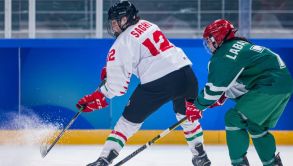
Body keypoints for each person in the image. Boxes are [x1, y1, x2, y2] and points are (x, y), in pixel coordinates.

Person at [76, 1, 211, 166]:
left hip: (159, 83)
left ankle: (104, 159)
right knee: (186, 116)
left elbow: (118, 89)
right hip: (186, 74)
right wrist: (115, 71)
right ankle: (201, 155)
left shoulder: (120, 43)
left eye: (115, 22)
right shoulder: (148, 25)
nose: (112, 26)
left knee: (127, 123)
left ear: (125, 19)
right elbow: (147, 55)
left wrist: (100, 94)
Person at [185, 19, 293, 166]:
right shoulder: (240, 45)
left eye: (208, 40)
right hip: (282, 84)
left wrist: (197, 106)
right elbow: (239, 77)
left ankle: (239, 163)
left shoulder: (224, 54)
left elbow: (214, 89)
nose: (208, 45)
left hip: (269, 85)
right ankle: (272, 163)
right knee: (256, 126)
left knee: (233, 118)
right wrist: (223, 94)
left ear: (216, 38)